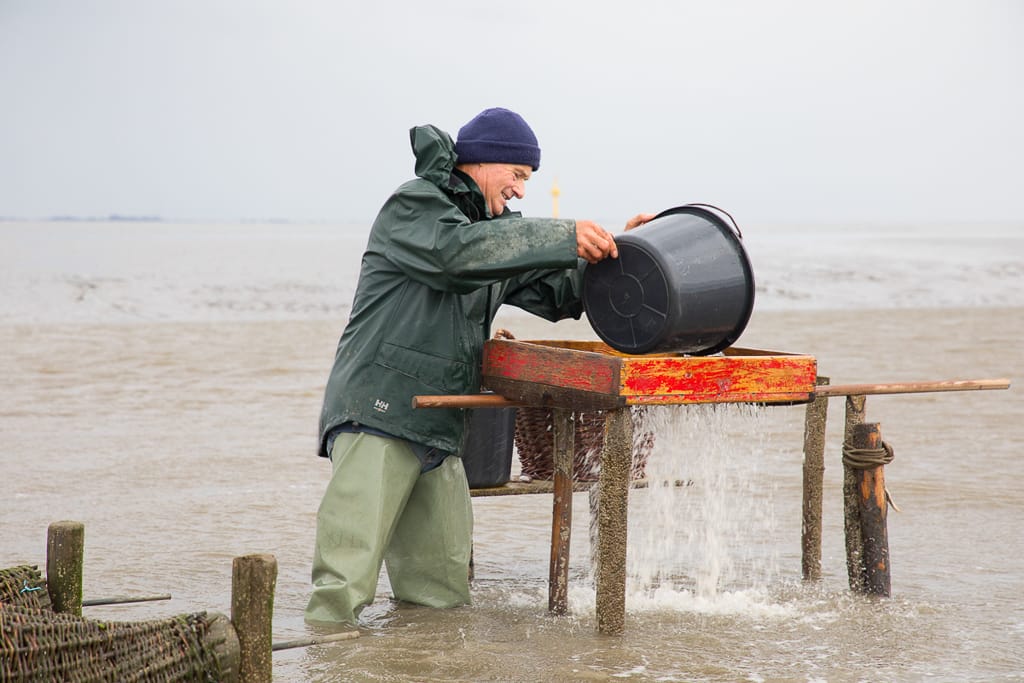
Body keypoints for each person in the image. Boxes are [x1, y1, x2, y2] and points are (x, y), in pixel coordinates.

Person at [305, 107, 652, 626]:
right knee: (342, 586)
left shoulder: (491, 235)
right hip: (377, 415)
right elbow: (455, 254)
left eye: (527, 180)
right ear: (484, 163)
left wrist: (627, 254)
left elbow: (562, 290)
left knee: (441, 598)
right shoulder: (416, 205)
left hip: (440, 427)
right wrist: (563, 235)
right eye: (517, 176)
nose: (521, 192)